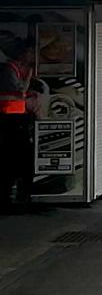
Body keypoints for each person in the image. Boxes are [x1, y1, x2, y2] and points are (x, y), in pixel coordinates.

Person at [0, 38, 36, 209]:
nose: (32, 56)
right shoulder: (10, 69)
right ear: (22, 54)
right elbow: (19, 91)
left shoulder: (20, 69)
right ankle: (10, 196)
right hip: (8, 119)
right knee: (13, 158)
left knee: (22, 157)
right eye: (30, 52)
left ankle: (22, 193)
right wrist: (28, 79)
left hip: (20, 118)